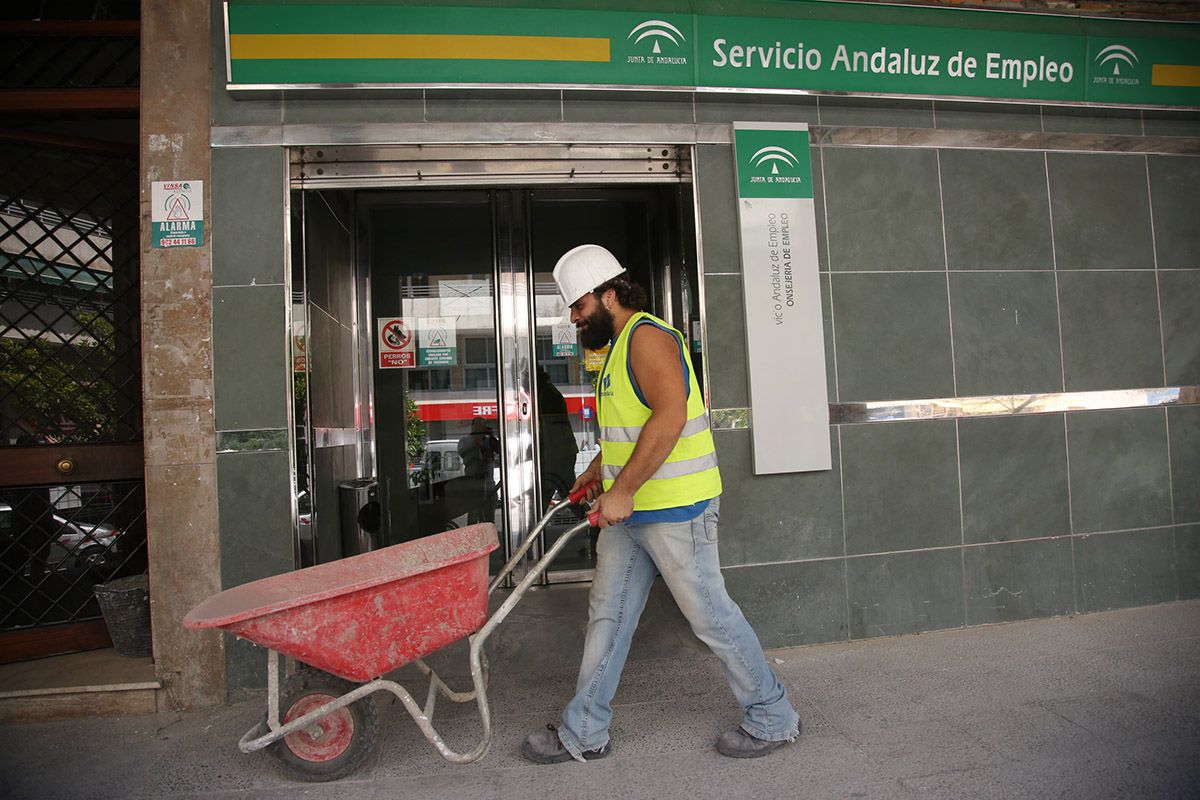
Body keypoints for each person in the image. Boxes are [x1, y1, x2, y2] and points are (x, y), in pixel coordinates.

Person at [521, 244, 800, 764]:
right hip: (633, 515)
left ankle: (773, 716)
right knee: (608, 616)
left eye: (579, 306)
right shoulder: (619, 346)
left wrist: (622, 490)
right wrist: (600, 470)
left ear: (609, 294)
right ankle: (584, 731)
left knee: (711, 618)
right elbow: (633, 426)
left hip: (677, 510)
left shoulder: (647, 338)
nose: (575, 318)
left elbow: (669, 416)